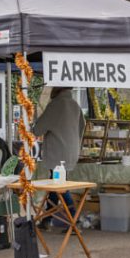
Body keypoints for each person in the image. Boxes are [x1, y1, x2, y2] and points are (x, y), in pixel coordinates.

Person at [32, 87, 86, 226]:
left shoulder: (55, 105)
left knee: (60, 185)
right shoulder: (75, 105)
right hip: (71, 150)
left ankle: (75, 219)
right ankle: (47, 219)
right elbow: (82, 125)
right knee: (56, 184)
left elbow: (38, 130)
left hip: (57, 152)